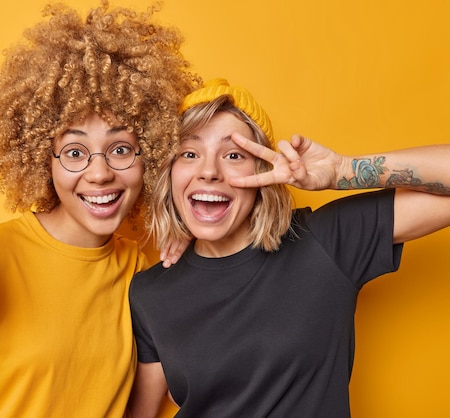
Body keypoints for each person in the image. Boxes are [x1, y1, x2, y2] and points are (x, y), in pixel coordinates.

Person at [0, 2, 200, 417]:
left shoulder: (146, 268)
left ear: (151, 152)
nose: (99, 174)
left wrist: (190, 244)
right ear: (43, 160)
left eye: (121, 149)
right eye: (75, 152)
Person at [128, 78, 450, 417]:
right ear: (169, 174)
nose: (209, 171)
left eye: (234, 154)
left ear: (263, 172)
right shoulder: (150, 292)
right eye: (189, 153)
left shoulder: (324, 242)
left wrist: (342, 171)